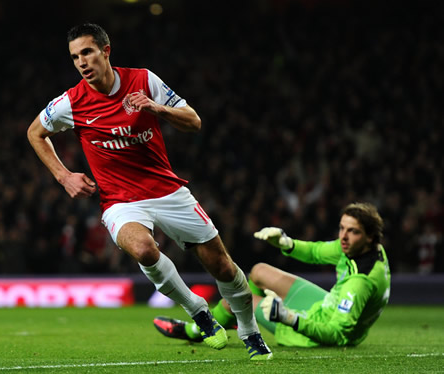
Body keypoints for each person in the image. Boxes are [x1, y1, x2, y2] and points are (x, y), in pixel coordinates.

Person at [27, 23, 271, 360]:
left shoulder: (144, 80)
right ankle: (198, 310)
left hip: (167, 190)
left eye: (87, 52)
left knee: (224, 268)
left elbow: (194, 121)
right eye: (74, 57)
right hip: (119, 200)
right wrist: (64, 176)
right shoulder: (71, 103)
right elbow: (35, 132)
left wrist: (158, 109)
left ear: (105, 51)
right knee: (142, 249)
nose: (82, 62)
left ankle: (249, 332)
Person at [154, 202, 391, 347]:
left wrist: (289, 317)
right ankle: (241, 319)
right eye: (342, 228)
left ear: (369, 237)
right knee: (258, 271)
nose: (343, 237)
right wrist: (286, 243)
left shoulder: (360, 282)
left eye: (353, 232)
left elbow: (338, 333)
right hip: (327, 304)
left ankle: (198, 330)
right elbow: (318, 252)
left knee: (235, 300)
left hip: (317, 330)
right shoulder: (363, 247)